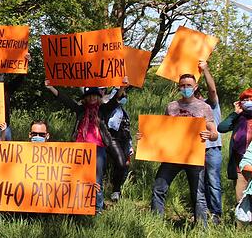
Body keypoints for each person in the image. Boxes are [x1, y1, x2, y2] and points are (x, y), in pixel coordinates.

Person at [143, 73, 218, 226]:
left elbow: (215, 133)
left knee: (198, 195)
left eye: (188, 85)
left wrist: (209, 134)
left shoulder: (204, 107)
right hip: (172, 157)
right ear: (178, 87)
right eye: (182, 85)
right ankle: (155, 225)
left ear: (195, 87)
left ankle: (202, 230)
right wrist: (145, 135)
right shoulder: (171, 106)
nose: (185, 88)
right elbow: (162, 130)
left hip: (194, 157)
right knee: (159, 188)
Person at [45, 81, 126, 213]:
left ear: (99, 97)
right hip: (79, 149)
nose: (92, 98)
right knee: (77, 177)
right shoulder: (81, 110)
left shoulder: (103, 110)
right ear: (86, 98)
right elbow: (66, 100)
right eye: (90, 96)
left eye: (95, 96)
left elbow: (116, 100)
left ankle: (97, 207)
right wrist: (50, 87)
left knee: (97, 179)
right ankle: (78, 205)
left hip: (97, 149)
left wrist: (122, 87)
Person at [195, 60, 223, 224]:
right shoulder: (189, 107)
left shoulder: (210, 103)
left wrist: (205, 69)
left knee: (213, 182)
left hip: (212, 149)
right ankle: (202, 214)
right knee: (199, 183)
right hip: (195, 150)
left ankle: (216, 214)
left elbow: (212, 89)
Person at [218, 88, 252, 202]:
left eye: (250, 99)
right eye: (245, 99)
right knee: (241, 202)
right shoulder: (239, 118)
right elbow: (222, 128)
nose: (248, 101)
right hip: (240, 168)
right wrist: (235, 113)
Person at [104, 87, 133, 202]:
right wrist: (121, 87)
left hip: (124, 139)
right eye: (122, 96)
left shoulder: (124, 112)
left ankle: (116, 190)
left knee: (124, 165)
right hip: (113, 138)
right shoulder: (110, 107)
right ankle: (114, 190)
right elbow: (114, 98)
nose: (123, 98)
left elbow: (127, 129)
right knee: (120, 162)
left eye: (125, 96)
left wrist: (130, 145)